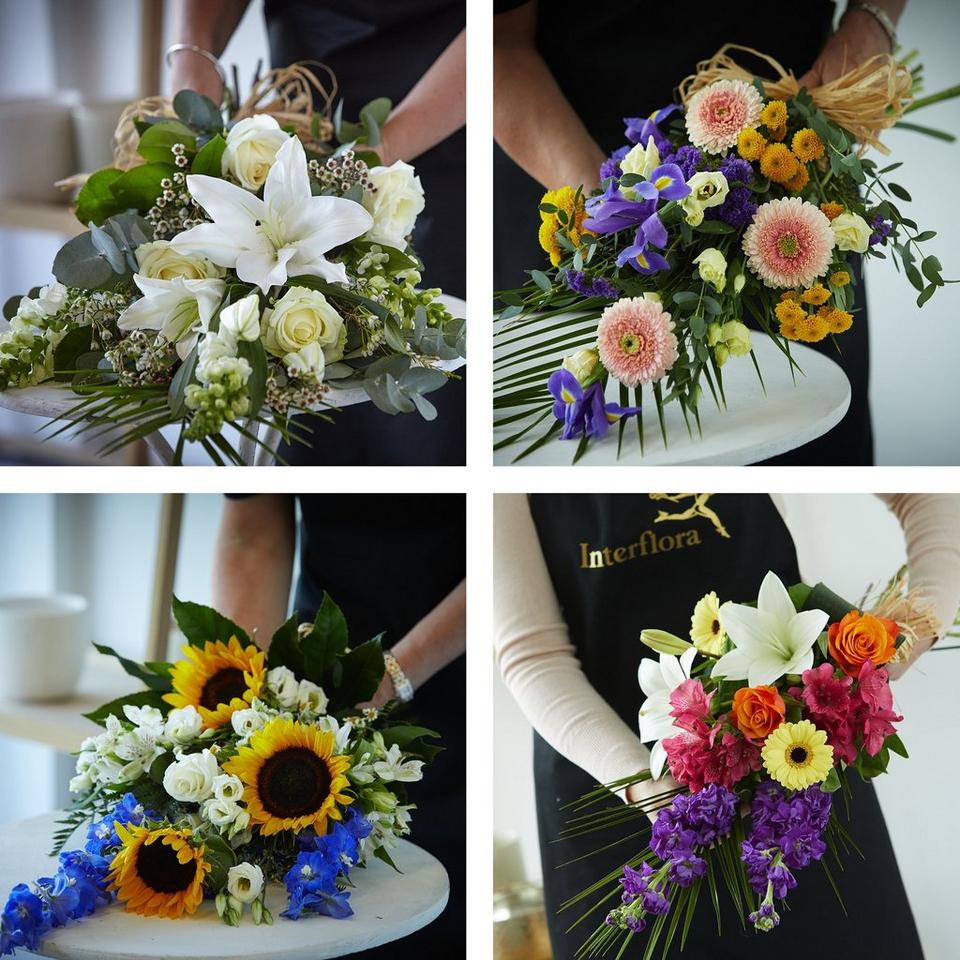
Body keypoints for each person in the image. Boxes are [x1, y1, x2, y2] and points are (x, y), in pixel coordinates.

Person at [494, 493, 960, 959]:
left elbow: (926, 493)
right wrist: (650, 788)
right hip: (617, 776)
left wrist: (918, 620)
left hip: (799, 760)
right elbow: (533, 656)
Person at [494, 1, 907, 465]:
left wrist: (870, 21)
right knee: (608, 466)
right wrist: (622, 216)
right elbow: (497, 44)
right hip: (578, 167)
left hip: (793, 158)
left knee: (807, 437)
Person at [169, 1, 466, 465]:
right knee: (302, 441)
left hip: (439, 130)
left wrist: (371, 155)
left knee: (425, 441)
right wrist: (192, 55)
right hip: (301, 102)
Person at [213, 494, 466, 958]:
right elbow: (252, 531)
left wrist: (387, 678)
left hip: (449, 680)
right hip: (314, 664)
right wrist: (242, 696)